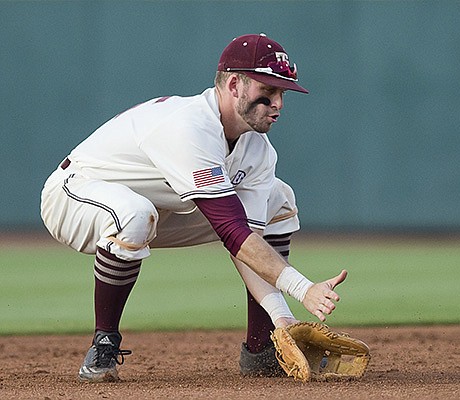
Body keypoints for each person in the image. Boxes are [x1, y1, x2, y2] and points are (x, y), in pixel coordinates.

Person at [40, 33, 347, 382]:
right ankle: (103, 342)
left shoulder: (258, 150)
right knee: (135, 214)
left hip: (162, 209)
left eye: (283, 92)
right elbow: (233, 233)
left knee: (278, 198)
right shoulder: (189, 127)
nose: (278, 102)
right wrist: (303, 288)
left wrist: (283, 318)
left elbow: (247, 245)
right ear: (234, 85)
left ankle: (263, 348)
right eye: (269, 90)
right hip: (74, 195)